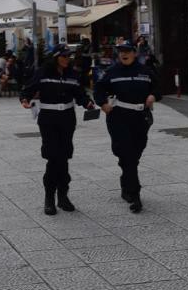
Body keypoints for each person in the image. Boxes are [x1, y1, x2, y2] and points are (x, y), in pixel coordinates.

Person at [20, 44, 95, 215]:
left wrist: (87, 102)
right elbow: (28, 89)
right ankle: (49, 198)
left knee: (64, 157)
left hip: (67, 118)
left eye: (68, 56)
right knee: (53, 157)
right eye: (63, 56)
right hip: (48, 119)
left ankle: (63, 196)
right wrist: (25, 99)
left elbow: (80, 93)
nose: (66, 59)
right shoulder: (43, 73)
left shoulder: (73, 74)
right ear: (55, 57)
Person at [94, 40, 161, 213]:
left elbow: (158, 87)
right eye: (120, 51)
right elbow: (98, 89)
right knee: (128, 154)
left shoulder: (145, 71)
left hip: (140, 118)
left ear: (134, 53)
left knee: (134, 154)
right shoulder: (112, 71)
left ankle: (126, 184)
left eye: (127, 51)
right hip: (119, 117)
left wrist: (153, 95)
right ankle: (135, 195)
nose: (123, 54)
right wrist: (102, 103)